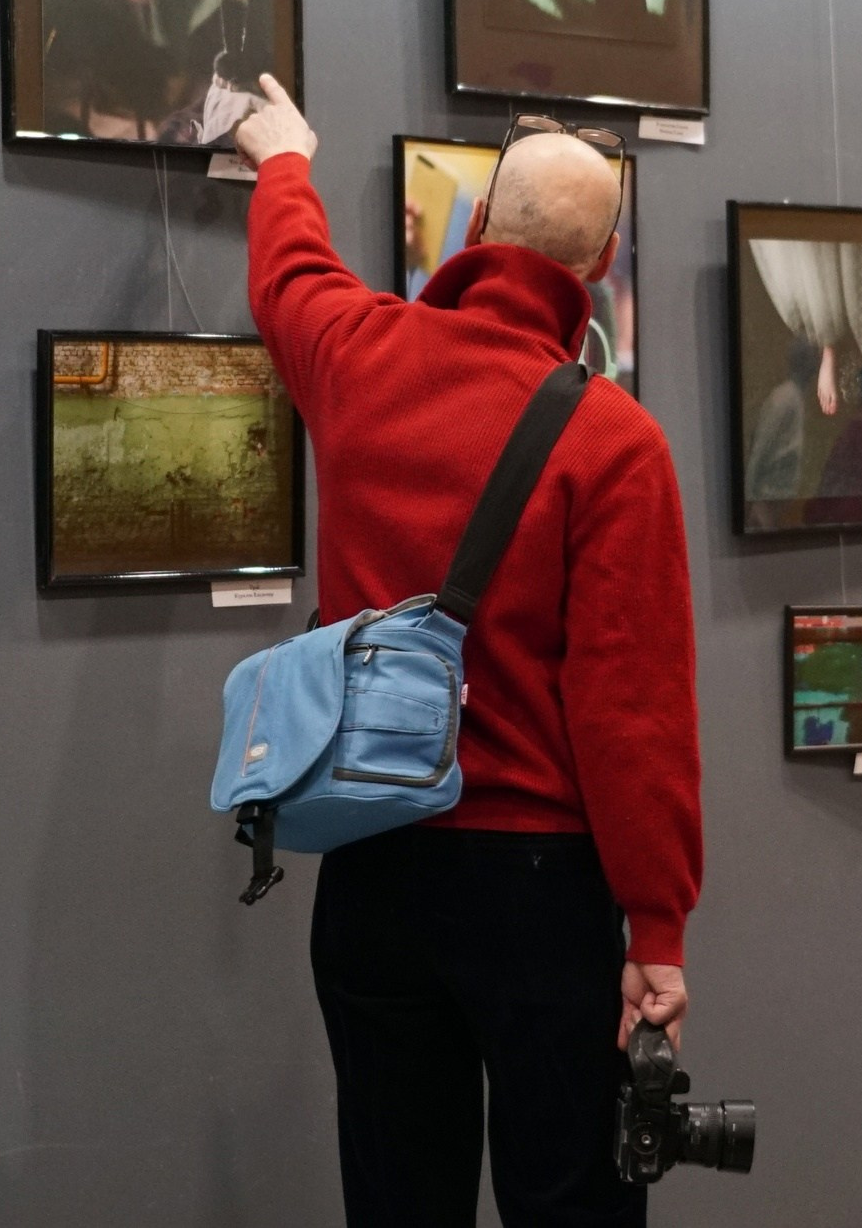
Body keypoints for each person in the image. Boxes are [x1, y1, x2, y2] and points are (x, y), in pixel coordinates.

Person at [233, 79, 702, 1228]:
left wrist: (285, 160)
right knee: (570, 1202)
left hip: (375, 865)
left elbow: (289, 278)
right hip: (539, 887)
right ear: (596, 272)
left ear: (476, 225)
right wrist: (656, 929)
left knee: (398, 1200)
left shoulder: (360, 356)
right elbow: (631, 711)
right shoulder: (614, 440)